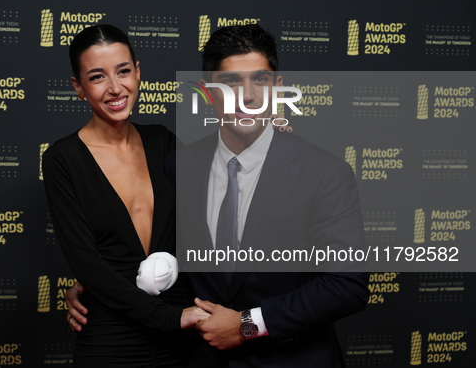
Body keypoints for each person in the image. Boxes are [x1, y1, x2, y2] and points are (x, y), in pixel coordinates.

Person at [66, 24, 368, 367]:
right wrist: (95, 290)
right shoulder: (180, 165)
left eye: (261, 80)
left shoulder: (324, 172)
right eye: (231, 82)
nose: (248, 95)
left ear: (278, 88)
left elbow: (347, 285)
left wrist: (246, 325)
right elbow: (159, 246)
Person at [42, 24, 210, 367]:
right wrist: (167, 317)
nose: (115, 88)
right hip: (112, 336)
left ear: (138, 72)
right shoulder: (63, 159)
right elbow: (87, 263)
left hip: (184, 332)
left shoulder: (164, 142)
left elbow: (206, 227)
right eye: (97, 77)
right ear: (78, 87)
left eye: (123, 71)